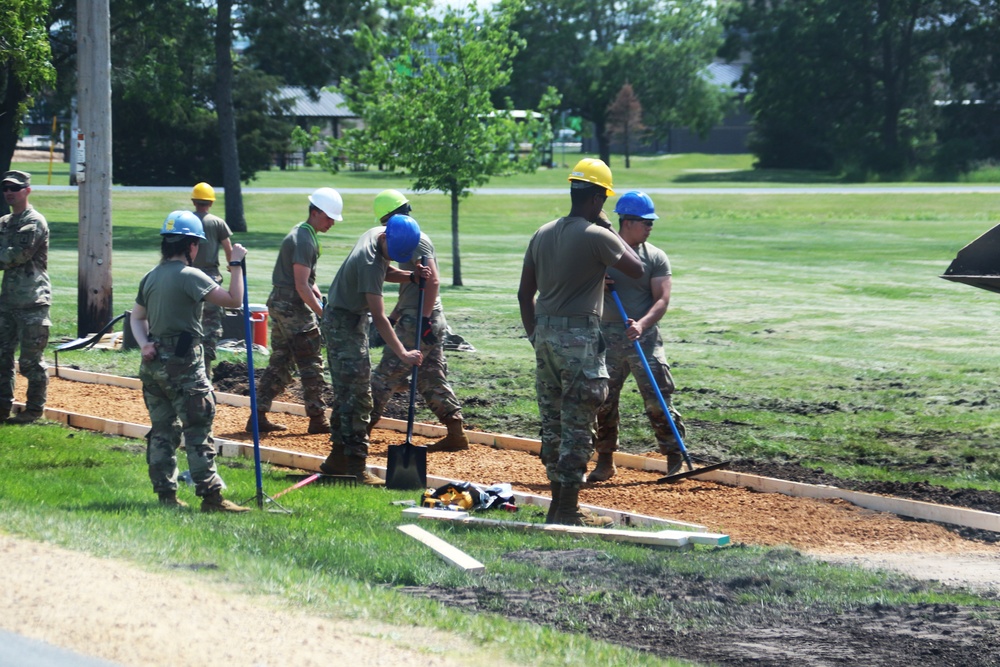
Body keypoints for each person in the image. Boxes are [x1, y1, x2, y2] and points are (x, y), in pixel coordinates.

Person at [517, 158, 643, 526]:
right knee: (577, 422)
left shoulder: (542, 233)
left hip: (545, 337)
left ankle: (558, 506)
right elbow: (637, 267)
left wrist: (534, 335)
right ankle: (569, 510)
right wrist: (608, 228)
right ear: (597, 199)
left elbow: (525, 294)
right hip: (580, 340)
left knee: (553, 422)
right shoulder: (597, 235)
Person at [130, 210, 251, 512]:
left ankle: (166, 495)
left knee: (161, 431)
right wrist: (235, 264)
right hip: (184, 365)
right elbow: (234, 301)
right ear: (191, 246)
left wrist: (145, 344)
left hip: (154, 363)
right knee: (197, 430)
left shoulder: (151, 276)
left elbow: (136, 317)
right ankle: (212, 498)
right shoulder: (189, 275)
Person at [319, 214, 428, 486]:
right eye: (394, 253)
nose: (393, 256)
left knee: (347, 392)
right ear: (385, 238)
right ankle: (356, 467)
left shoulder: (379, 234)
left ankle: (336, 459)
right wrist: (403, 353)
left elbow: (386, 269)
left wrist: (411, 277)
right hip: (344, 323)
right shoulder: (368, 262)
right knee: (358, 395)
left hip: (346, 319)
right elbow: (379, 317)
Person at [589, 191, 686, 482]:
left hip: (644, 339)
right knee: (604, 402)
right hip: (606, 338)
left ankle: (674, 457)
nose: (650, 226)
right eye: (646, 222)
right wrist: (597, 284)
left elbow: (662, 300)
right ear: (627, 222)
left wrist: (642, 325)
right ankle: (605, 461)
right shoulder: (601, 255)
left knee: (658, 400)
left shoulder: (656, 257)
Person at [368, 190, 468, 453]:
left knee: (384, 376)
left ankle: (360, 430)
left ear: (391, 217)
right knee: (430, 378)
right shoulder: (405, 239)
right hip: (420, 317)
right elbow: (412, 285)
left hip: (421, 319)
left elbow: (432, 280)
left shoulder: (416, 240)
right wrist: (395, 315)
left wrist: (422, 321)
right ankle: (456, 432)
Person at [246, 188, 340, 435]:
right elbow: (300, 284)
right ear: (316, 212)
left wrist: (316, 291)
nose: (331, 223)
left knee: (281, 361)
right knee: (310, 361)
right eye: (329, 217)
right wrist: (321, 313)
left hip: (281, 303)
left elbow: (305, 278)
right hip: (292, 306)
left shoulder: (303, 232)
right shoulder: (304, 239)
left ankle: (258, 415)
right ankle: (318, 419)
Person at [0, 170, 50, 424]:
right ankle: (2, 407)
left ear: (27, 191)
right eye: (6, 188)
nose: (9, 192)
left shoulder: (34, 222)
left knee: (31, 362)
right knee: (2, 357)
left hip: (33, 302)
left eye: (15, 188)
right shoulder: (5, 222)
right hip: (8, 302)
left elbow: (17, 254)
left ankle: (33, 410)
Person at [189, 182, 233, 375]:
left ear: (194, 201)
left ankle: (189, 365)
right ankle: (206, 370)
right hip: (210, 278)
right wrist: (232, 265)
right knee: (211, 324)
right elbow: (228, 247)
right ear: (211, 203)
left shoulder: (187, 220)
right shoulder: (217, 222)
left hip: (188, 275)